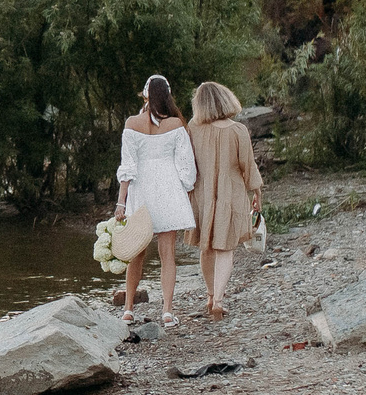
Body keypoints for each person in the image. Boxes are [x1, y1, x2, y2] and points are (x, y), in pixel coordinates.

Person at [113, 75, 196, 328]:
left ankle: (128, 310)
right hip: (168, 190)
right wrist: (185, 189)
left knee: (136, 252)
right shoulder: (176, 125)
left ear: (146, 95)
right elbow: (186, 167)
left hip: (141, 192)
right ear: (168, 96)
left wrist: (121, 202)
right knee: (167, 254)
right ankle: (167, 312)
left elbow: (127, 167)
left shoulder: (131, 123)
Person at [186, 80, 264, 320]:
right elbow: (248, 166)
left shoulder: (193, 128)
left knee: (206, 247)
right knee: (226, 248)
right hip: (232, 193)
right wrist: (257, 194)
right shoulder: (238, 130)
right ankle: (219, 300)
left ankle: (210, 296)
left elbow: (188, 163)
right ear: (226, 99)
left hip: (202, 194)